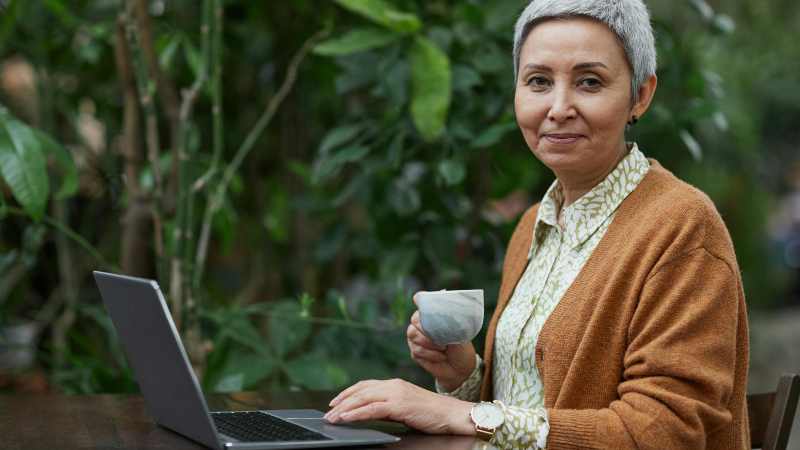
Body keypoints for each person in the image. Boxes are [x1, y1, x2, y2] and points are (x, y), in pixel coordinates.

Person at [324, 0, 750, 448]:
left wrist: (461, 413)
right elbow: (520, 411)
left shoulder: (683, 226)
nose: (559, 107)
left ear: (640, 95)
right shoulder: (534, 224)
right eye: (539, 82)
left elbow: (668, 431)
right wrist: (463, 377)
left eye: (589, 82)